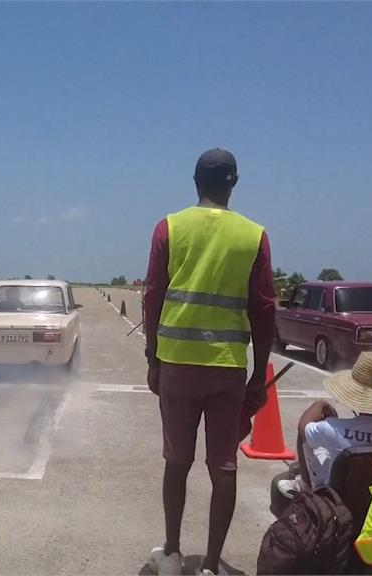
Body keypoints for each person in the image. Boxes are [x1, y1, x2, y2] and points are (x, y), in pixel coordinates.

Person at [143, 148, 275, 575]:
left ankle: (172, 552)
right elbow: (264, 309)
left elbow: (152, 296)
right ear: (233, 183)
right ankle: (212, 566)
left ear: (195, 182)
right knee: (224, 466)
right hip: (227, 366)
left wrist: (153, 357)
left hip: (178, 362)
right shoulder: (254, 235)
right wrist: (258, 372)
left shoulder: (170, 228)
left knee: (176, 461)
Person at [276, 352, 372, 496]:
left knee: (307, 438)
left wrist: (320, 404)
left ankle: (305, 484)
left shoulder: (333, 429)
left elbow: (303, 426)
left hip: (338, 499)